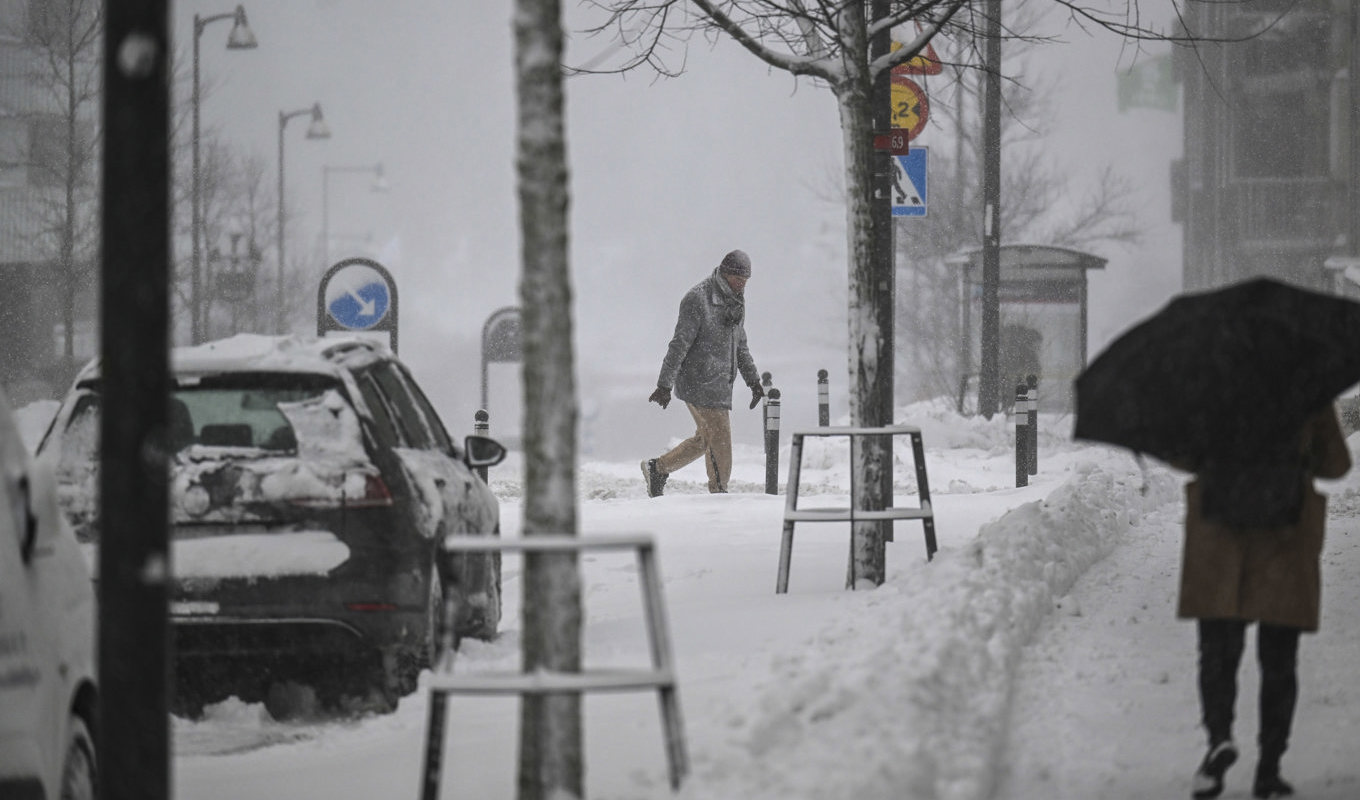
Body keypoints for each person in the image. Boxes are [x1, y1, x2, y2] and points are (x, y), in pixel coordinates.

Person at [1178, 404, 1351, 799]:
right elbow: (1337, 464)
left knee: (1218, 654)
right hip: (1283, 544)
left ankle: (1219, 737)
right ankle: (1269, 769)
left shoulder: (1212, 387)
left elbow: (1182, 455)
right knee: (1278, 663)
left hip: (1221, 540)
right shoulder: (1305, 389)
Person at [641, 249, 763, 496]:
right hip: (698, 381)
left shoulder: (736, 303)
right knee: (720, 440)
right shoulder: (698, 299)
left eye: (746, 281)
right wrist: (664, 384)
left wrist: (754, 381)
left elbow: (740, 346)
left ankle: (658, 468)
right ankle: (719, 493)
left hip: (720, 382)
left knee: (705, 439)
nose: (742, 285)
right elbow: (679, 344)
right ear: (725, 274)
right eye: (738, 279)